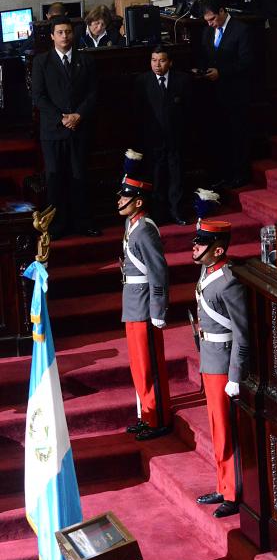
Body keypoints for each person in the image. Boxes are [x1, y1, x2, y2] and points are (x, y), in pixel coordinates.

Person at [191, 218, 249, 518]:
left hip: (223, 363)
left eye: (201, 243)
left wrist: (235, 375)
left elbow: (242, 332)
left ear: (217, 250)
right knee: (217, 427)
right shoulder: (208, 270)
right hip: (210, 358)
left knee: (226, 429)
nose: (195, 246)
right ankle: (223, 483)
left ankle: (233, 492)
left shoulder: (228, 281)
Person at [31, 15, 100, 239]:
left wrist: (78, 115)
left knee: (80, 177)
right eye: (60, 32)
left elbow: (93, 93)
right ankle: (57, 226)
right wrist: (61, 118)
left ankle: (84, 223)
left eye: (68, 32)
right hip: (53, 130)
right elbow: (38, 97)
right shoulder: (41, 62)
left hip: (79, 128)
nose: (65, 36)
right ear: (52, 36)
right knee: (55, 178)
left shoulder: (86, 60)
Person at [117, 171, 172, 442]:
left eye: (125, 197)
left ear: (139, 202)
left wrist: (158, 310)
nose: (119, 201)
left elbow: (158, 272)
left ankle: (158, 419)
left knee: (150, 366)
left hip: (144, 305)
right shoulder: (132, 224)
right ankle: (147, 415)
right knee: (139, 365)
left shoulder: (145, 229)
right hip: (132, 302)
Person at [196, 0, 254, 188]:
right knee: (220, 136)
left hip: (235, 93)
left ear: (222, 11)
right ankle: (222, 174)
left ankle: (240, 175)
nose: (210, 24)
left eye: (212, 19)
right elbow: (205, 56)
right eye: (207, 21)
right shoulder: (207, 31)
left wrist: (221, 72)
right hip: (214, 94)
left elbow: (246, 62)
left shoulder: (241, 30)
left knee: (237, 135)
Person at [134, 45, 193, 225]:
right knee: (156, 178)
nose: (157, 65)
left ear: (170, 62)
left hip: (176, 138)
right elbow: (138, 113)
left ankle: (177, 213)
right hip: (153, 140)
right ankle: (159, 215)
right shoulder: (142, 81)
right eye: (154, 60)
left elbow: (190, 110)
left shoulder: (182, 80)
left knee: (177, 177)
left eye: (161, 60)